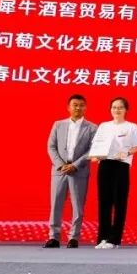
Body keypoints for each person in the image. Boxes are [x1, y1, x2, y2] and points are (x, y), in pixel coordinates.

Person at [45, 94, 97, 248]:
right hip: (59, 170)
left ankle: (74, 237)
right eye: (75, 105)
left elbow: (93, 149)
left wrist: (75, 164)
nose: (78, 108)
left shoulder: (92, 128)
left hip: (78, 170)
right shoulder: (58, 124)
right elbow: (51, 146)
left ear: (85, 108)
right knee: (56, 204)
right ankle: (53, 237)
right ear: (68, 107)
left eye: (81, 105)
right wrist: (60, 164)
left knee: (78, 205)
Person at [92, 97, 137, 249]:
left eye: (120, 107)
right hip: (105, 164)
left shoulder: (131, 127)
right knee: (104, 202)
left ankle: (114, 239)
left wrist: (127, 152)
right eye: (114, 107)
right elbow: (96, 144)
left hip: (121, 164)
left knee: (119, 202)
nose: (117, 110)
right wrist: (95, 155)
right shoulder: (104, 126)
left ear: (126, 110)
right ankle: (103, 237)